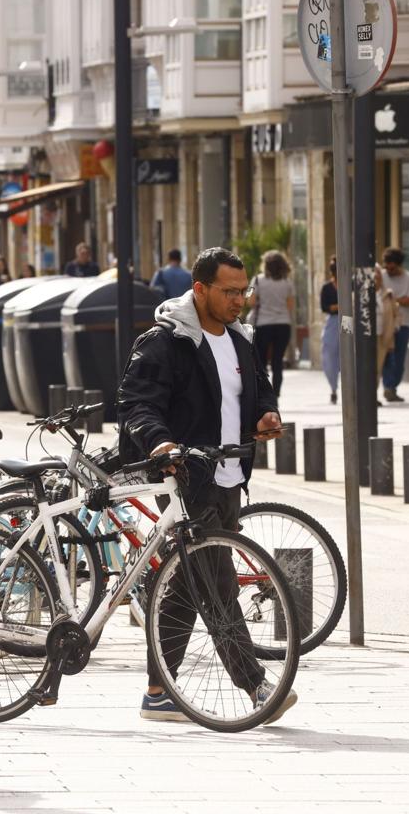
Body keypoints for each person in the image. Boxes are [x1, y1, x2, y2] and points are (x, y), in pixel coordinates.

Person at [117, 246, 296, 725]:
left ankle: (158, 691)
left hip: (229, 474)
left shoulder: (240, 340)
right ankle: (257, 685)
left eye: (245, 291)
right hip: (185, 475)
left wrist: (265, 415)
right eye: (231, 291)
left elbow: (258, 389)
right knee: (217, 581)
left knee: (187, 586)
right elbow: (136, 403)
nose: (241, 300)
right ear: (200, 289)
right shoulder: (165, 341)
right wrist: (160, 443)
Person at [247, 250, 295, 398]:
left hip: (263, 324)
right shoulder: (288, 283)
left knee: (261, 360)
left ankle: (263, 392)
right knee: (277, 361)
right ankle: (276, 394)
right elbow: (290, 305)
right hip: (283, 324)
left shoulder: (257, 280)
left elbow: (250, 301)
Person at [378, 248, 409, 403]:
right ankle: (388, 387)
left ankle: (393, 386)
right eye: (387, 267)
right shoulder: (380, 276)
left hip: (403, 323)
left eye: (392, 267)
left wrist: (392, 300)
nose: (389, 270)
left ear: (399, 265)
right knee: (388, 356)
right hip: (386, 323)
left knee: (400, 358)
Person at [320, 259, 340, 405]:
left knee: (348, 349)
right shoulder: (327, 287)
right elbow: (325, 307)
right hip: (333, 321)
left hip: (346, 320)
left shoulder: (349, 285)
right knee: (329, 352)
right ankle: (333, 387)